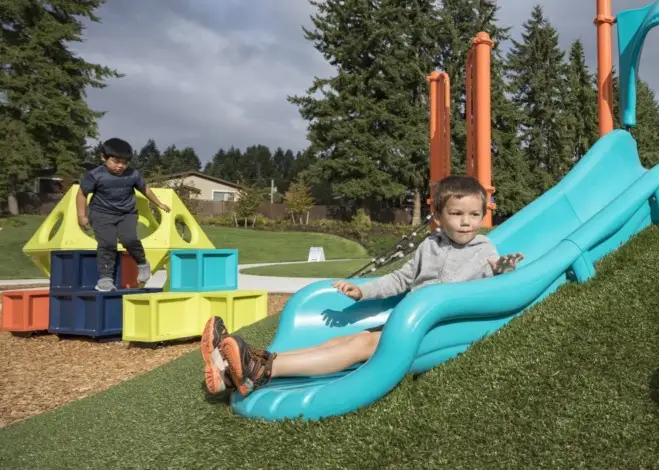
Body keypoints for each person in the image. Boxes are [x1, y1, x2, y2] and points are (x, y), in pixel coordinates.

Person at [200, 175, 525, 398]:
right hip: (406, 320)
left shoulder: (484, 248)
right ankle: (238, 368)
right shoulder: (429, 245)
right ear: (438, 216)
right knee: (346, 339)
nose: (467, 221)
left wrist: (504, 266)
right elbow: (401, 279)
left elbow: (490, 276)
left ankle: (258, 371)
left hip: (436, 328)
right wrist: (363, 291)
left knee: (360, 348)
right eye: (456, 213)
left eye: (474, 214)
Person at [77, 138, 170, 291]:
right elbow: (82, 194)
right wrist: (82, 215)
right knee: (107, 243)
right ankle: (105, 279)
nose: (120, 166)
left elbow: (144, 189)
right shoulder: (94, 175)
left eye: (125, 162)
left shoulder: (133, 174)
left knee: (130, 239)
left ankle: (143, 264)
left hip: (127, 213)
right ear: (103, 157)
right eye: (116, 161)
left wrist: (158, 203)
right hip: (101, 214)